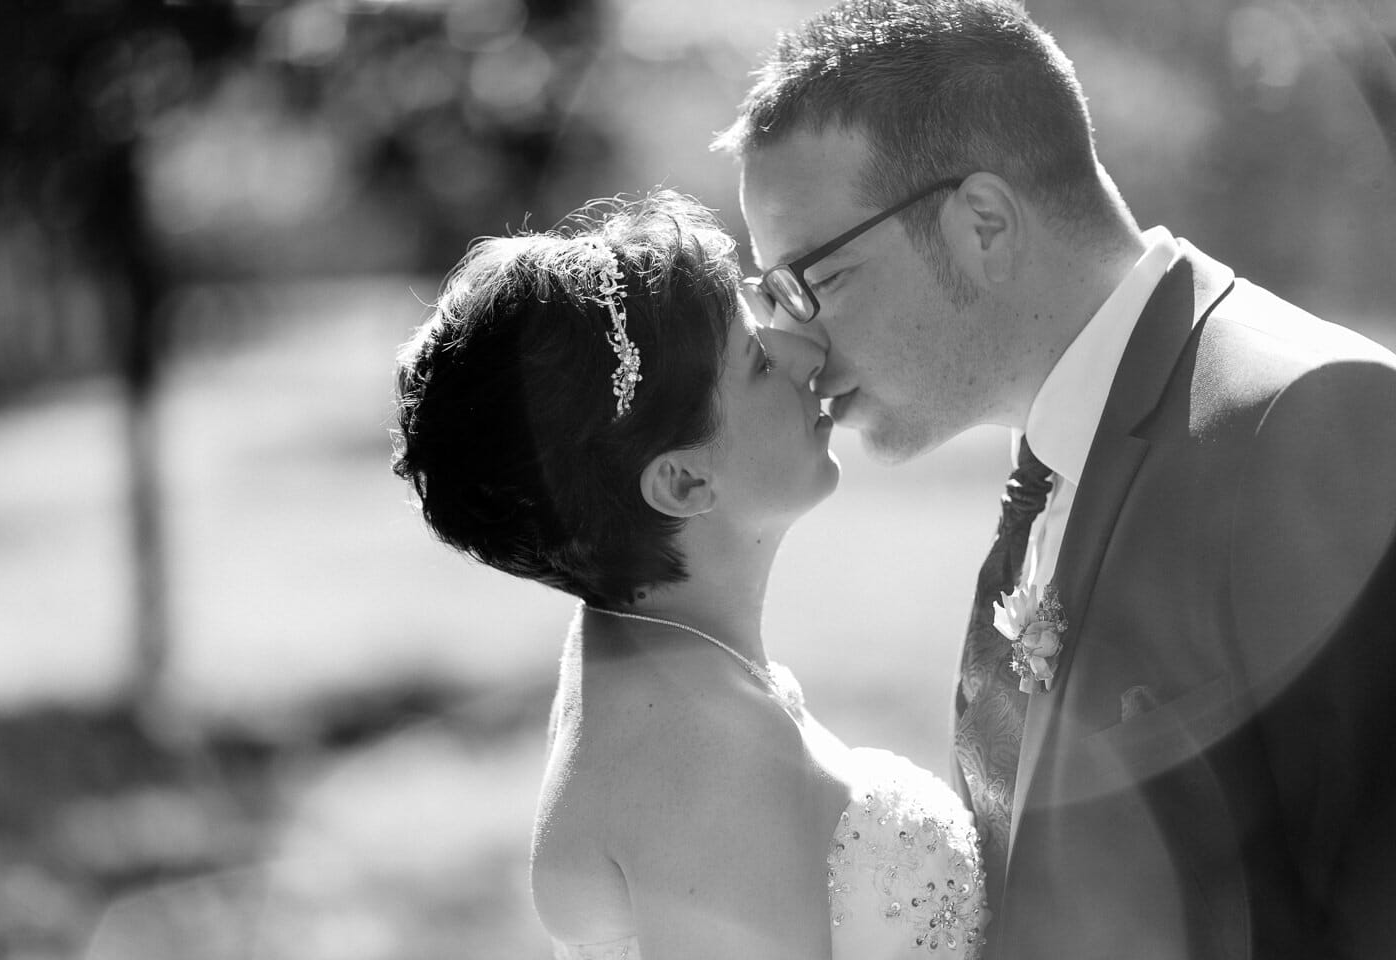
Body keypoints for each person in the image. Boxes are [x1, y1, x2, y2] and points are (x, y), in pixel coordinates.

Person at [715, 1, 1396, 957]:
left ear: (984, 224)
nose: (798, 343)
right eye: (771, 296)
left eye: (810, 280)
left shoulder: (1308, 421)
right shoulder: (1044, 473)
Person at [391, 192, 987, 958]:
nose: (808, 354)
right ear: (682, 482)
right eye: (760, 361)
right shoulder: (711, 762)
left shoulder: (623, 654)